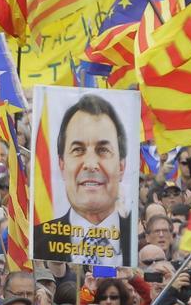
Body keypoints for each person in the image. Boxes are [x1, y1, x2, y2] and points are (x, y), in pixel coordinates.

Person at [35, 94, 134, 267]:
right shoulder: (36, 242)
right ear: (62, 164)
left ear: (121, 166)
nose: (90, 164)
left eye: (103, 149)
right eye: (78, 149)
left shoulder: (140, 241)